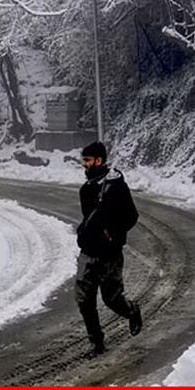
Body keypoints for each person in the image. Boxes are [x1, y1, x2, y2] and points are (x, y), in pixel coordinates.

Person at [74, 141, 142, 357]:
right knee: (84, 300)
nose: (84, 165)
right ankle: (97, 343)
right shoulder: (86, 189)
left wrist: (113, 236)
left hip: (110, 254)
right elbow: (89, 218)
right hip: (88, 253)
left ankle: (131, 311)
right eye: (83, 160)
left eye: (88, 160)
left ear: (99, 160)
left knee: (111, 299)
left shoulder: (116, 186)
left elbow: (132, 216)